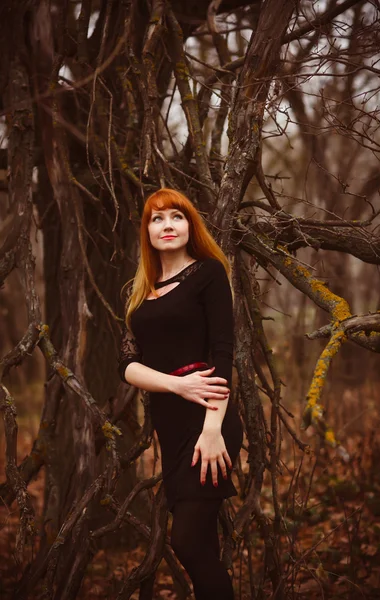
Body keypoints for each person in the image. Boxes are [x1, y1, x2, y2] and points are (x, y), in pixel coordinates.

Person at [117, 188, 243, 600]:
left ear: (190, 226)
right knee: (202, 545)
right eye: (157, 219)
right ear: (147, 231)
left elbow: (223, 355)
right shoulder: (137, 292)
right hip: (170, 428)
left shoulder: (207, 275)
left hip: (209, 421)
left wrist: (213, 430)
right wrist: (175, 384)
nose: (167, 225)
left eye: (176, 217)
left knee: (187, 542)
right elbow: (127, 366)